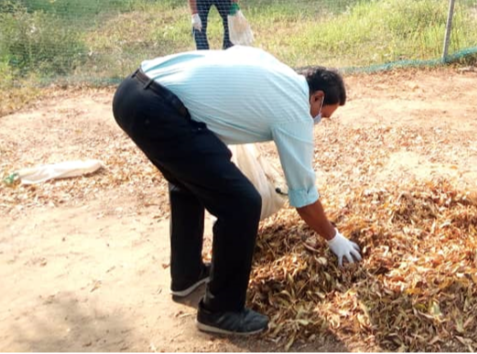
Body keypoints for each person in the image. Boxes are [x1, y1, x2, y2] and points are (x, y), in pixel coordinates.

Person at [111, 47, 361, 335]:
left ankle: (187, 275)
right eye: (322, 116)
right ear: (317, 97)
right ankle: (220, 311)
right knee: (241, 203)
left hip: (133, 92)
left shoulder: (275, 71)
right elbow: (304, 196)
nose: (317, 122)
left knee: (187, 183)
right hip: (158, 109)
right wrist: (334, 237)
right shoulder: (295, 106)